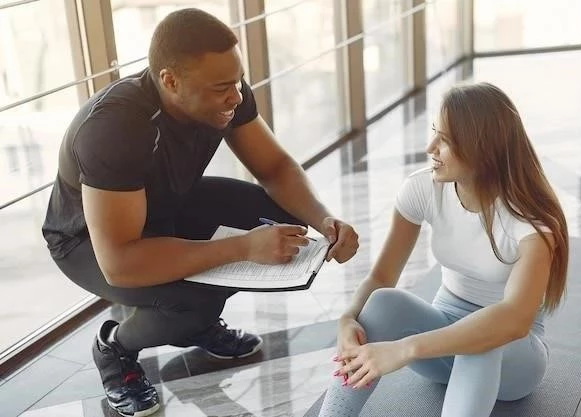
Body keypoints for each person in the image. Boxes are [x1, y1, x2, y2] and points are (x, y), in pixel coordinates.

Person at [41, 8, 359, 417]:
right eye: (222, 88)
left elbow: (275, 168)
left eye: (237, 81)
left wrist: (324, 220)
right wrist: (243, 247)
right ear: (170, 81)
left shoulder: (227, 93)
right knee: (194, 303)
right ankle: (116, 348)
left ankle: (196, 323)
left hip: (164, 207)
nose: (237, 96)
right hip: (89, 244)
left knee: (274, 215)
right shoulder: (115, 127)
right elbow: (120, 261)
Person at [318, 82, 569, 417]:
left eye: (446, 140)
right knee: (382, 303)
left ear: (484, 149)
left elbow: (513, 320)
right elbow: (381, 276)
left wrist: (404, 349)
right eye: (435, 132)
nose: (430, 147)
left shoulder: (533, 224)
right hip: (439, 345)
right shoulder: (423, 188)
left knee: (483, 339)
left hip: (513, 361)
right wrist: (347, 320)